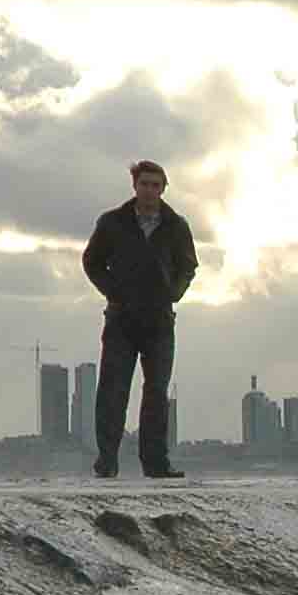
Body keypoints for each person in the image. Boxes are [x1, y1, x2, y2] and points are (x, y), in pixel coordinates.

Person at [81, 158, 198, 479]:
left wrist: (173, 293)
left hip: (159, 320)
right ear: (135, 186)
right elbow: (91, 262)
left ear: (163, 189)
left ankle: (156, 463)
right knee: (112, 390)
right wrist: (113, 292)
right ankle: (107, 461)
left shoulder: (176, 226)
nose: (150, 190)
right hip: (121, 319)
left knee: (157, 392)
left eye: (156, 185)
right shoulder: (112, 222)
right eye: (144, 184)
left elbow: (188, 266)